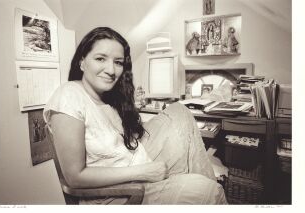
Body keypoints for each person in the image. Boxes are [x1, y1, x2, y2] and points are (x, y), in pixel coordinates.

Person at [43, 27, 227, 204]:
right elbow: (74, 177)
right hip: (118, 194)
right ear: (81, 62)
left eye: (118, 62)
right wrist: (143, 172)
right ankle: (195, 188)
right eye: (100, 59)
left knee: (180, 112)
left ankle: (190, 185)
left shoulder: (104, 96)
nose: (111, 70)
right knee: (209, 190)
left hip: (133, 159)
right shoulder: (69, 95)